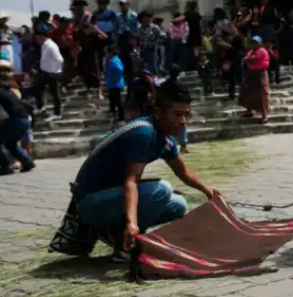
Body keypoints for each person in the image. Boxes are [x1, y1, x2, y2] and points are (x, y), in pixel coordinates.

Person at [70, 81, 217, 262]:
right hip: (89, 203)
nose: (183, 121)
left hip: (109, 197)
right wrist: (132, 223)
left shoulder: (165, 138)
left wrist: (208, 190)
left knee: (178, 204)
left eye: (187, 115)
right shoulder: (144, 133)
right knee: (162, 189)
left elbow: (182, 170)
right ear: (157, 113)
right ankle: (124, 242)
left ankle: (118, 233)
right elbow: (130, 181)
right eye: (177, 115)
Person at [0, 67, 35, 176]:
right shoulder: (5, 89)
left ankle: (5, 166)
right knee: (10, 143)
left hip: (15, 121)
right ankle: (27, 161)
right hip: (25, 120)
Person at [31, 29, 64, 122]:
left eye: (37, 38)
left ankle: (57, 114)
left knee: (55, 93)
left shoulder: (50, 46)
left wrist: (55, 70)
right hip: (44, 72)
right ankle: (41, 107)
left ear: (42, 37)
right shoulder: (44, 45)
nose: (36, 41)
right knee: (36, 88)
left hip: (52, 73)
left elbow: (60, 59)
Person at [239, 36, 270, 123]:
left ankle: (264, 114)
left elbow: (255, 58)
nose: (254, 44)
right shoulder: (251, 51)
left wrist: (248, 59)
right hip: (251, 73)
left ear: (260, 43)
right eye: (253, 42)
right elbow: (248, 58)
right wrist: (248, 59)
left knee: (262, 93)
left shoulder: (262, 51)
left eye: (256, 42)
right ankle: (249, 110)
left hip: (261, 73)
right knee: (248, 91)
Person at [105, 46, 126, 123]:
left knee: (118, 101)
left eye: (107, 53)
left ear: (111, 53)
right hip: (113, 84)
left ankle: (121, 117)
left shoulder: (113, 61)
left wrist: (115, 77)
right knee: (112, 98)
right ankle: (112, 111)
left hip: (115, 84)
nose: (106, 54)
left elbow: (120, 69)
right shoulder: (114, 59)